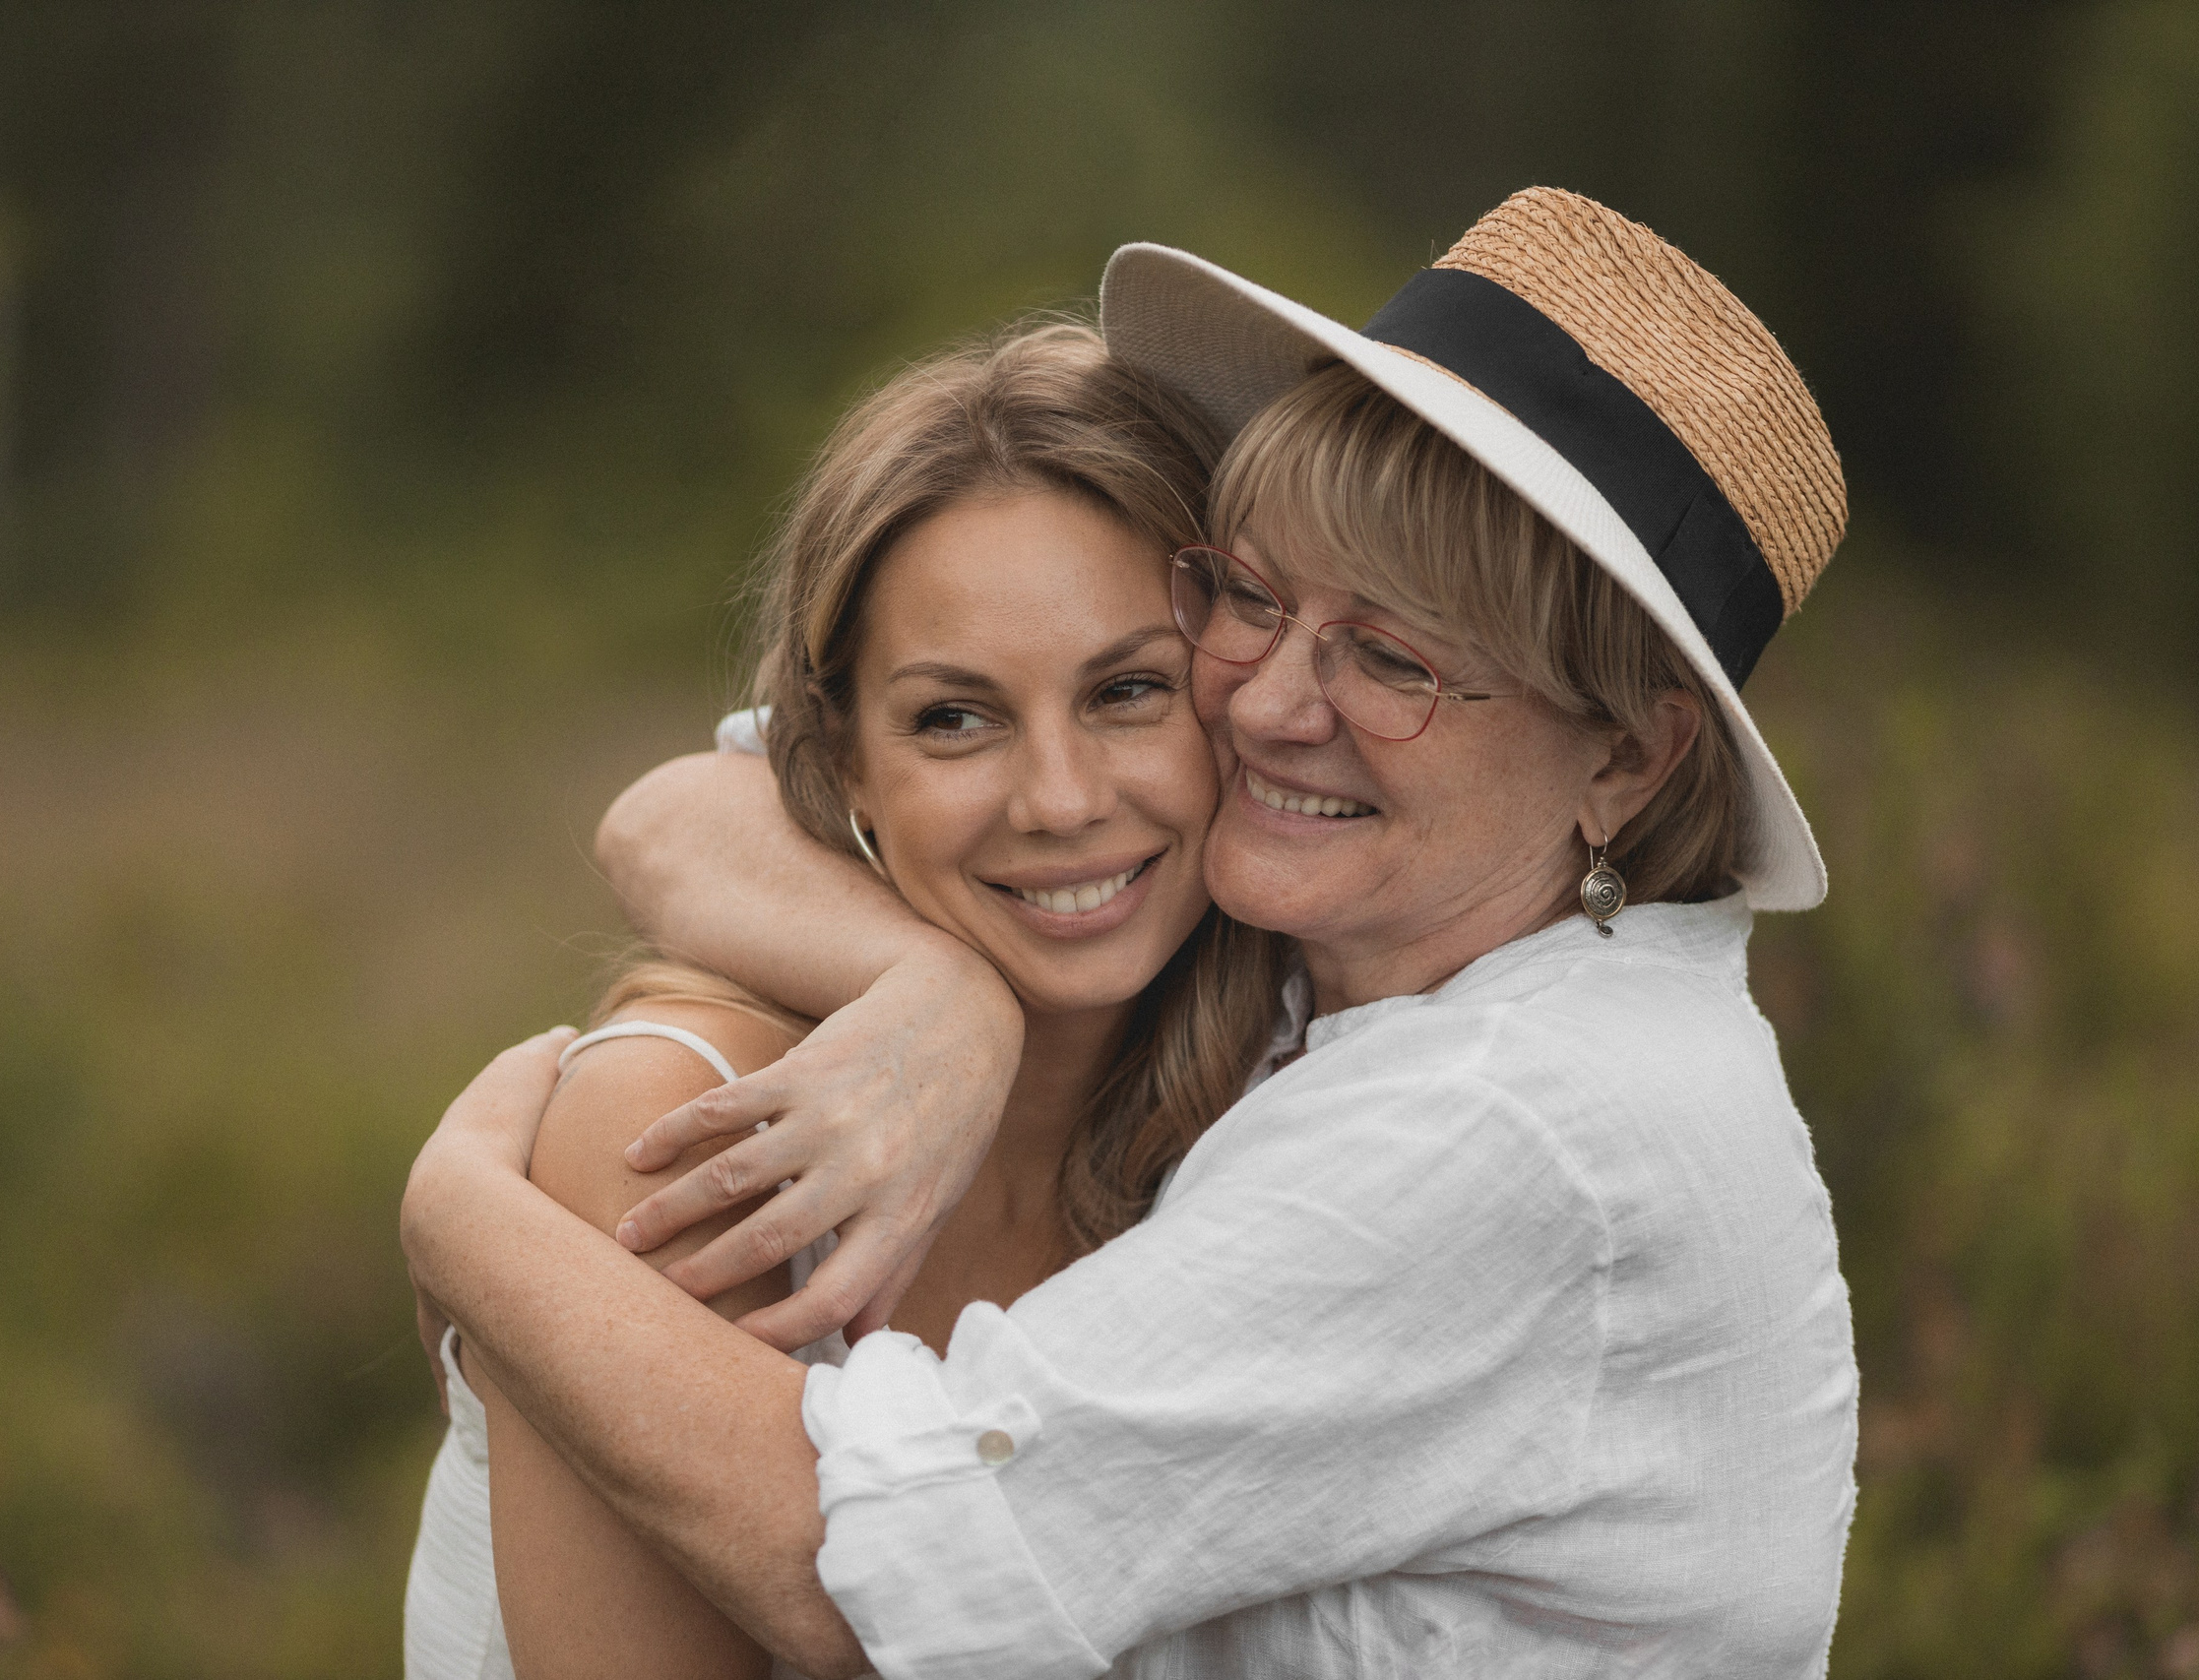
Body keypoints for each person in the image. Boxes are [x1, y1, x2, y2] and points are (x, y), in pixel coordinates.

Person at [406, 188, 1859, 1677]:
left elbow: (881, 1577)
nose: (1274, 705)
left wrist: (464, 1223)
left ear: (1625, 758)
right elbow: (699, 800)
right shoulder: (1299, 988)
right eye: (1252, 601)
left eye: (1393, 660)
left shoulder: (1492, 1124)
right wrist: (930, 985)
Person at [402, 321, 1289, 1680]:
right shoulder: (682, 1124)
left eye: (1127, 692)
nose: (1060, 801)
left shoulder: (1282, 1093)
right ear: (837, 760)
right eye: (955, 719)